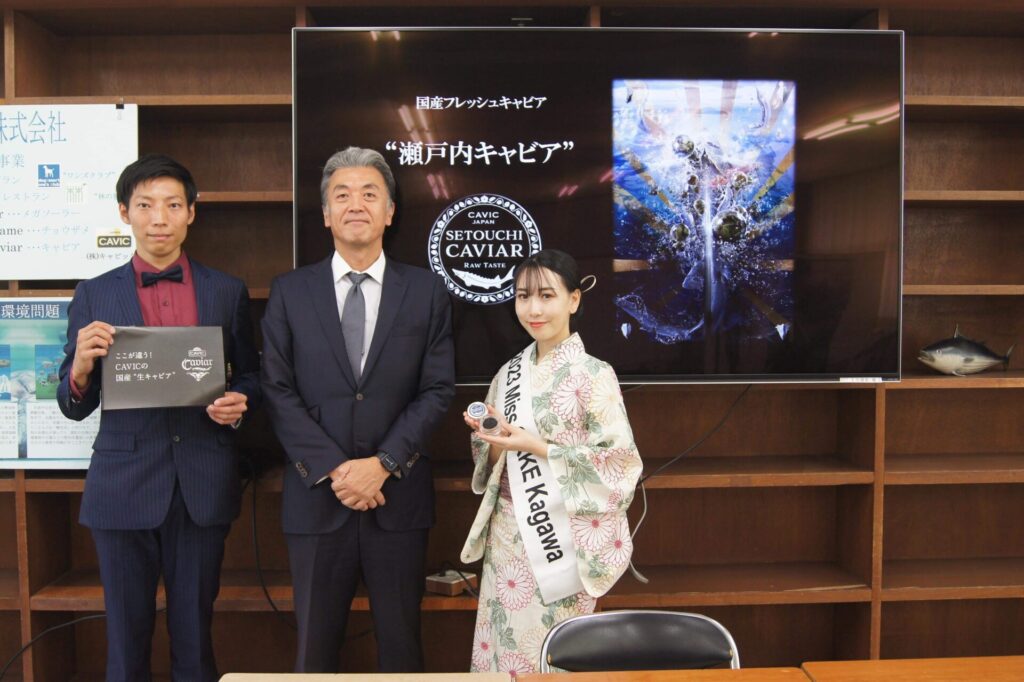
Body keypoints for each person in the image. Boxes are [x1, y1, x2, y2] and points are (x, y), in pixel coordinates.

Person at [56, 154, 261, 681]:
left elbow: (251, 376)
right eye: (145, 205)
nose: (159, 218)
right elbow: (73, 405)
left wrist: (239, 403)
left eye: (172, 205)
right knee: (126, 645)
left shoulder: (226, 290)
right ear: (124, 213)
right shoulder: (94, 293)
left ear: (191, 212)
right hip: (122, 486)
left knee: (195, 640)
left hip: (202, 482)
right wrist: (80, 368)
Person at [261, 147, 455, 672]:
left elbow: (437, 389)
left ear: (389, 212)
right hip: (317, 500)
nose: (356, 205)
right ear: (325, 214)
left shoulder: (426, 291)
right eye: (341, 195)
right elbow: (277, 389)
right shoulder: (290, 292)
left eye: (370, 194)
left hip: (398, 500)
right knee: (314, 653)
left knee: (402, 650)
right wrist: (337, 469)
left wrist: (383, 464)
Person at [461, 249, 642, 675]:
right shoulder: (507, 373)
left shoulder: (594, 374)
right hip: (508, 533)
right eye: (523, 297)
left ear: (573, 300)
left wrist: (539, 447)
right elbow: (490, 460)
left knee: (554, 653)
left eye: (546, 296)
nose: (534, 309)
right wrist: (493, 440)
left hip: (560, 537)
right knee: (503, 647)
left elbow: (620, 464)